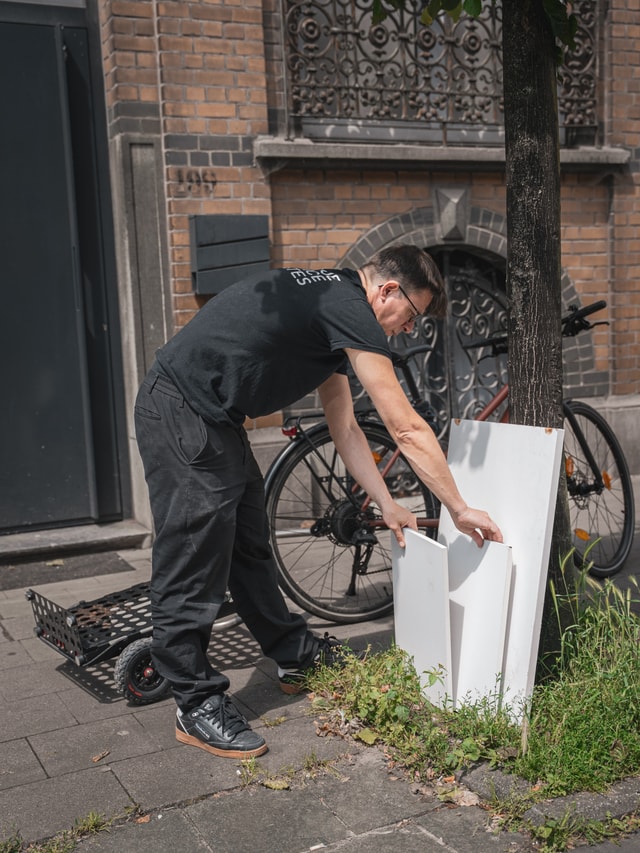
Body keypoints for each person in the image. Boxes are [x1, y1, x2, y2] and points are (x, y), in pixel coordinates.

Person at [134, 243, 503, 761]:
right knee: (193, 558)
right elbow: (405, 427)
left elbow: (345, 426)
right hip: (181, 411)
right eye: (412, 315)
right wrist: (459, 508)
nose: (408, 330)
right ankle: (193, 703)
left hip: (214, 418)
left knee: (249, 545)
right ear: (387, 291)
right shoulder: (347, 309)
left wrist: (386, 504)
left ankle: (294, 654)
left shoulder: (332, 304)